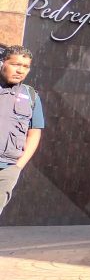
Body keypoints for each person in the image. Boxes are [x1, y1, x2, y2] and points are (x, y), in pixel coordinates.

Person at [0, 45, 44, 218]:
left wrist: (18, 166)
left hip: (7, 168)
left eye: (25, 66)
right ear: (3, 62)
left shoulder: (31, 96)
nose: (20, 70)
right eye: (15, 64)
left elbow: (34, 133)